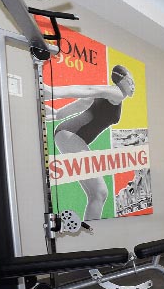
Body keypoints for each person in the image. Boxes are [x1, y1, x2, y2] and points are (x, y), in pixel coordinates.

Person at [45, 65, 136, 220]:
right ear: (122, 80)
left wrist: (57, 114)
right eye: (130, 80)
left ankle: (90, 228)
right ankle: (93, 232)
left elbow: (82, 103)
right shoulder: (116, 93)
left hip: (67, 135)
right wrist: (52, 92)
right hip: (71, 135)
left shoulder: (110, 96)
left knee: (96, 193)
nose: (133, 85)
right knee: (100, 192)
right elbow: (88, 90)